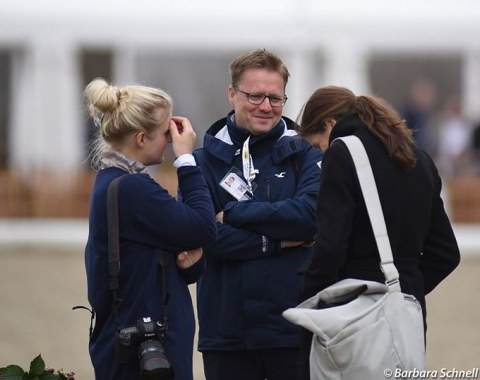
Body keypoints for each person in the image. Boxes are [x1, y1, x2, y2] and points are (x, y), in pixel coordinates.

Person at [296, 85, 461, 379]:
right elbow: (446, 253)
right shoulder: (419, 158)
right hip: (407, 315)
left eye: (316, 143)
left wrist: (308, 305)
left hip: (355, 318)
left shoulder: (341, 152)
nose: (320, 152)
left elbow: (331, 248)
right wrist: (403, 291)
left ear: (330, 124)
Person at [193, 48, 323, 380]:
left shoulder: (305, 155)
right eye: (255, 96)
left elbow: (310, 218)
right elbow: (205, 236)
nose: (266, 106)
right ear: (232, 93)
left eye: (275, 98)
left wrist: (234, 213)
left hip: (294, 328)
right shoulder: (202, 161)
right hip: (226, 333)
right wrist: (278, 242)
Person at [83, 78, 217, 380]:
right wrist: (186, 159)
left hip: (139, 342)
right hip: (146, 348)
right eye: (165, 133)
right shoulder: (132, 188)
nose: (171, 140)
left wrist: (190, 259)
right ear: (142, 138)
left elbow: (178, 255)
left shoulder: (113, 181)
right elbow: (204, 227)